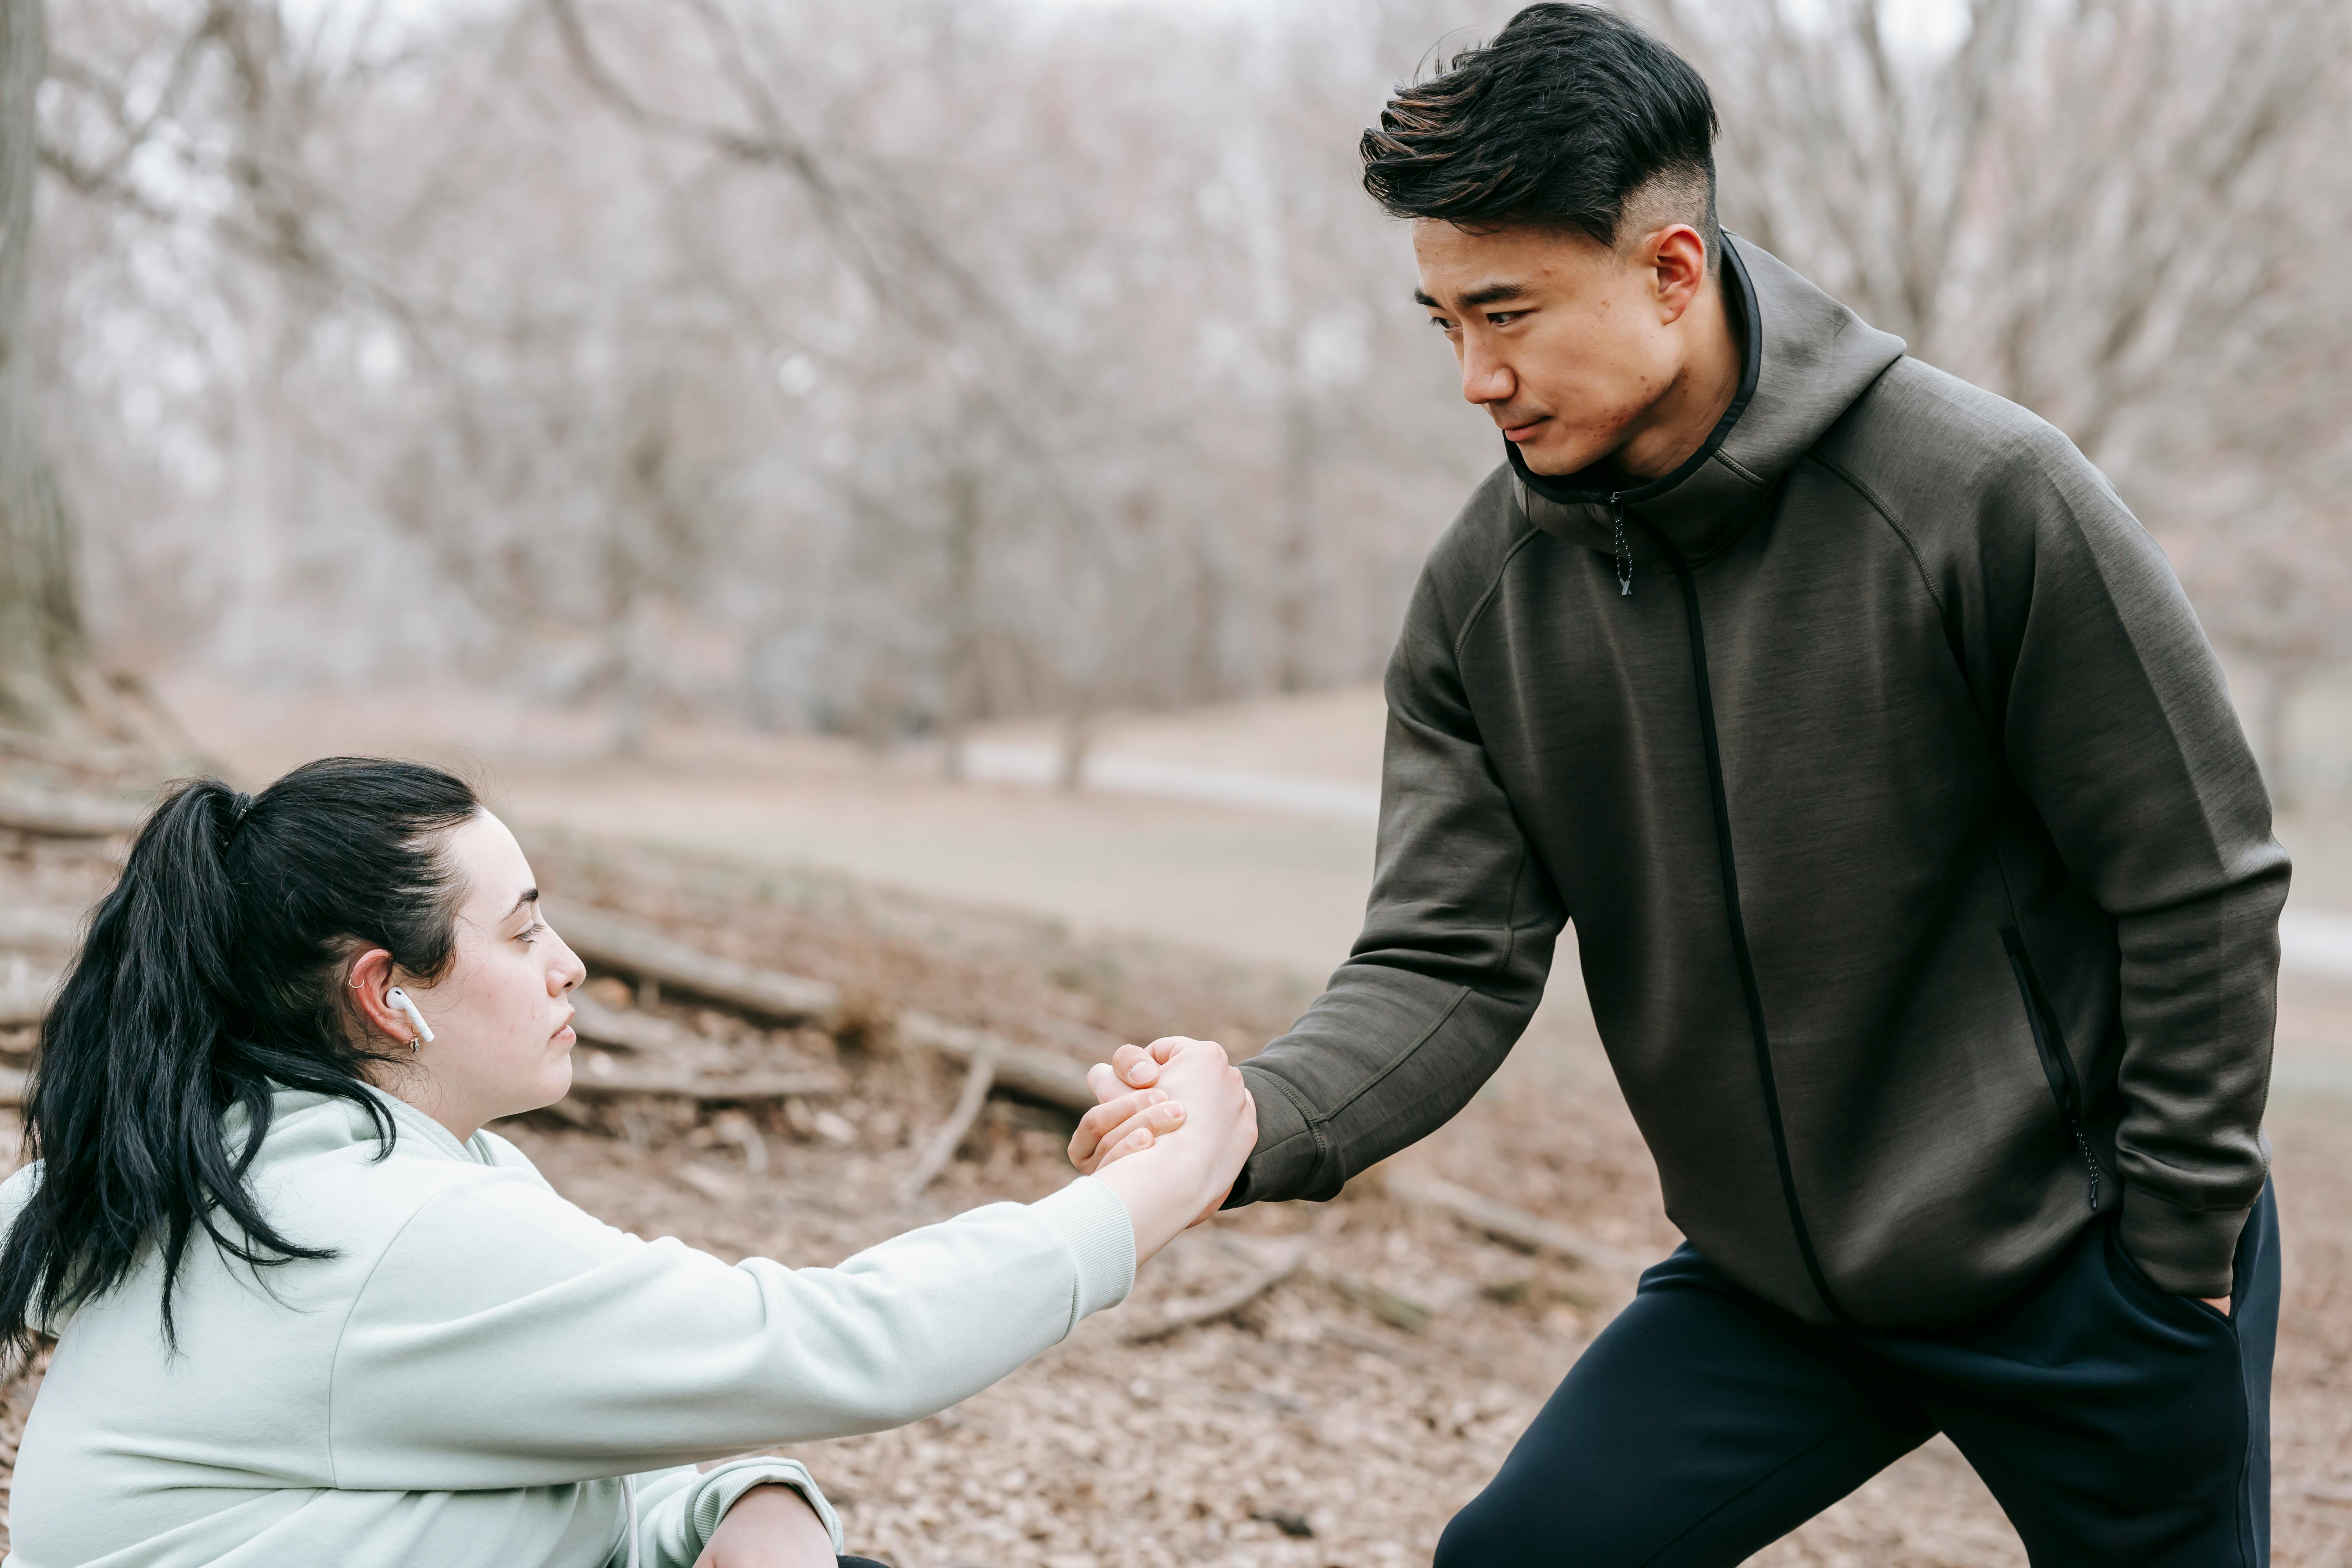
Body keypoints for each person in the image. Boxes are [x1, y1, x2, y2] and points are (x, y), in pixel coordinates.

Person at [1073, 6, 2287, 1564]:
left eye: (1507, 311)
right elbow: (1444, 958)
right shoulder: (1484, 598)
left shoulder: (1987, 495)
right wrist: (1250, 1113)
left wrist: (2175, 1250)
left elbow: (2203, 879)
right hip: (1778, 1286)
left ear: (1672, 267)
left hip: (2080, 1262)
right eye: (1441, 322)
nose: (1474, 376)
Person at [0, 757, 1254, 1568]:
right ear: (388, 994)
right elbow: (835, 1344)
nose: (571, 966)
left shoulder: (237, 1151)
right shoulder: (371, 1230)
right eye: (525, 928)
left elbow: (536, 1473)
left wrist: (737, 1504)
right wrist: (1153, 1189)